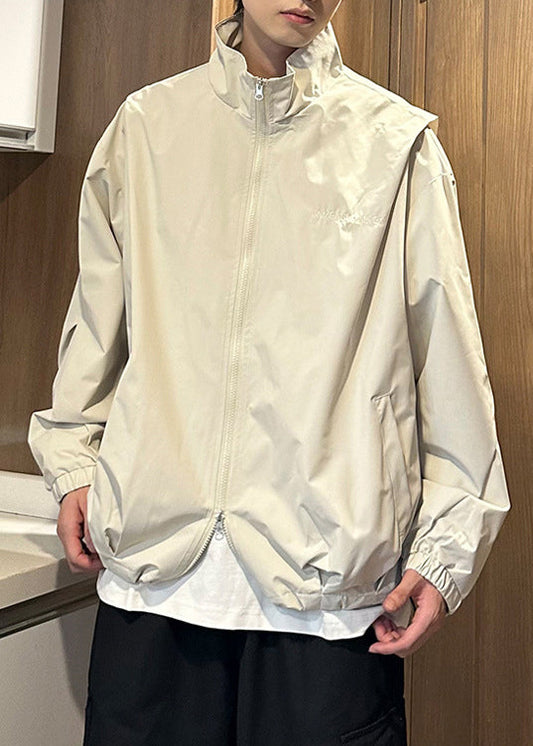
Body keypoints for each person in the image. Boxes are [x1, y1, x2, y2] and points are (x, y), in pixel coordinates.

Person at [27, 1, 511, 744]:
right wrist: (72, 466)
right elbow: (96, 329)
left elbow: (447, 362)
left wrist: (445, 551)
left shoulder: (395, 143)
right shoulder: (146, 128)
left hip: (328, 594)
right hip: (155, 579)